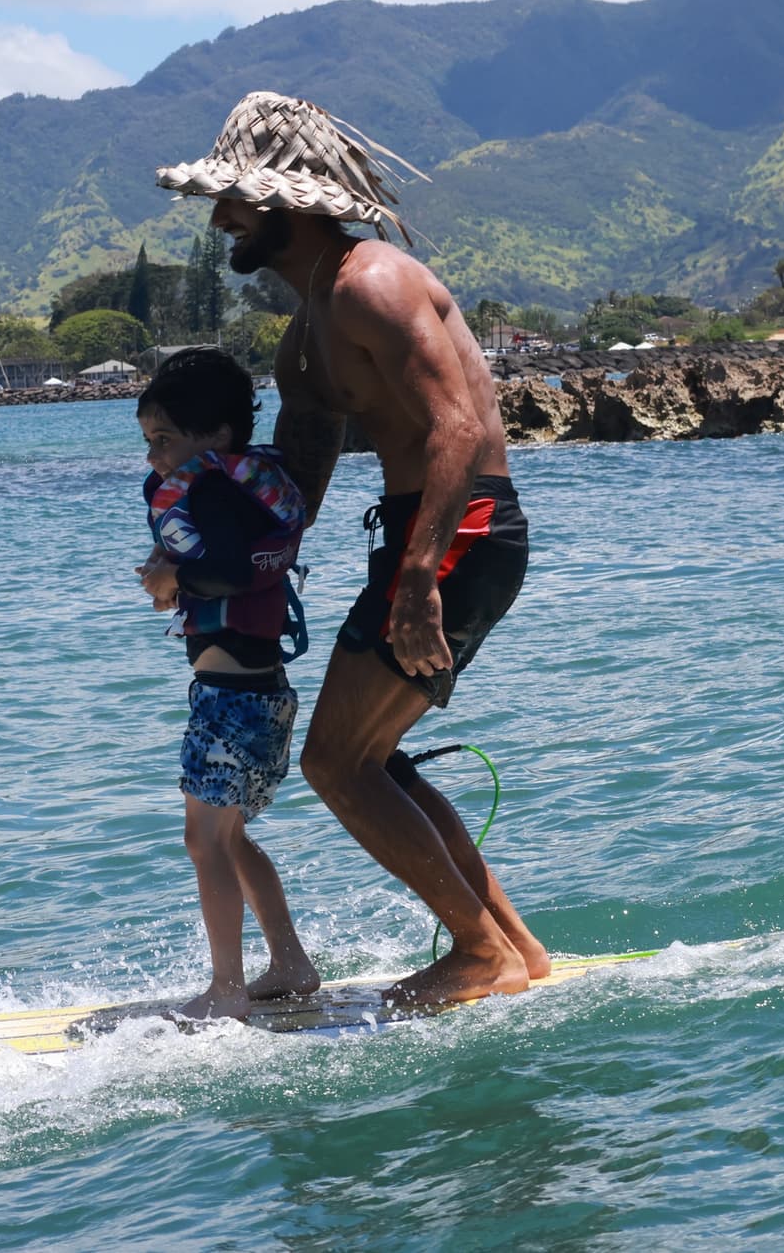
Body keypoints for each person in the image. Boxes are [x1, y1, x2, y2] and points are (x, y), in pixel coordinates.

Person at [156, 91, 549, 1006]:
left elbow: (455, 429)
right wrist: (240, 562)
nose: (219, 219)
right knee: (370, 757)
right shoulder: (307, 330)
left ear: (285, 205)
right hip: (421, 540)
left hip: (461, 536)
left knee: (336, 762)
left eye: (234, 202)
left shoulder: (376, 282)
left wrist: (416, 583)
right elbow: (301, 464)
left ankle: (476, 955)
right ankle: (514, 950)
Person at [136, 348, 320, 1019]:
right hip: (260, 694)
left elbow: (234, 571)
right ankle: (290, 964)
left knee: (204, 841)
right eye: (148, 441)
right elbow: (233, 560)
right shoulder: (238, 484)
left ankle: (227, 988)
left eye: (164, 439)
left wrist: (175, 579)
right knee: (230, 837)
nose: (154, 455)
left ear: (214, 436)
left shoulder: (212, 486)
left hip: (230, 699)